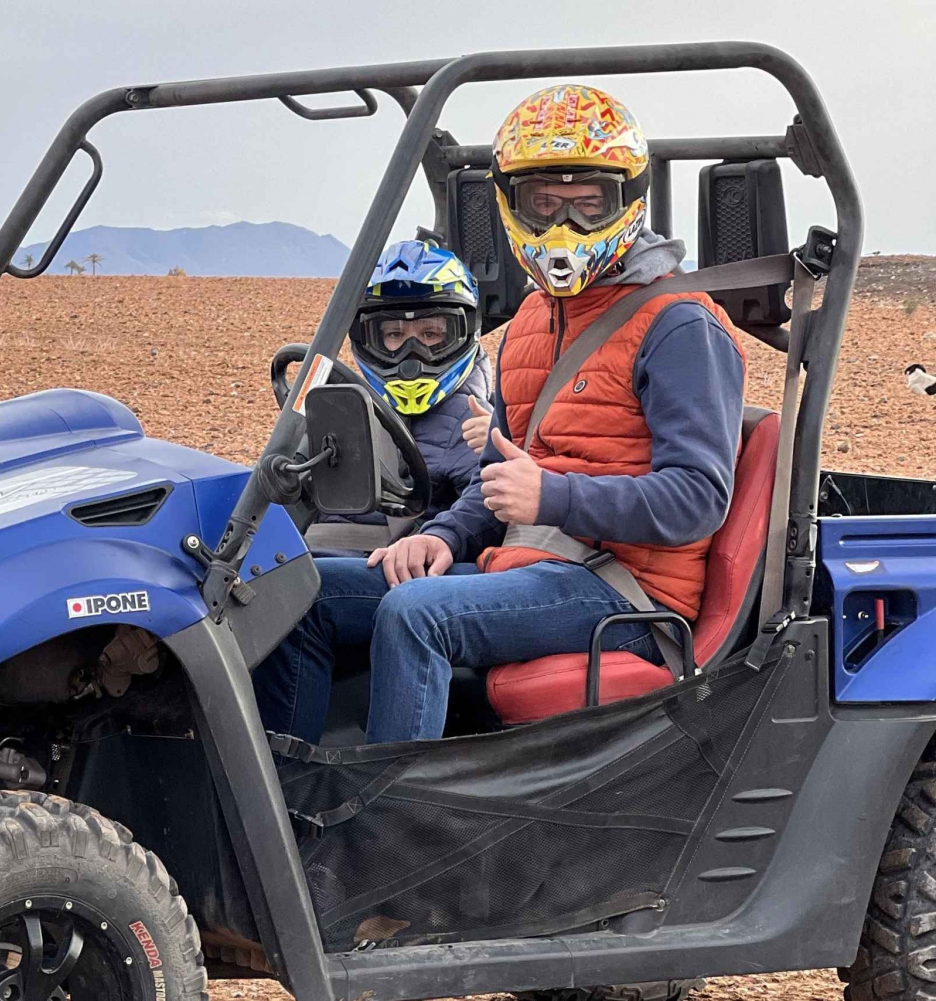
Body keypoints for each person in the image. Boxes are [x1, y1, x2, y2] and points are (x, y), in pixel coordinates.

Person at [254, 83, 747, 745]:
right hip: (535, 567)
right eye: (544, 203)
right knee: (295, 594)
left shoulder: (679, 325)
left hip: (629, 593)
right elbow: (499, 476)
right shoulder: (533, 320)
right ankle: (289, 812)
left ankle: (391, 832)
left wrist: (552, 494)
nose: (562, 228)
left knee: (414, 615)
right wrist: (443, 538)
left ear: (627, 201)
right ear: (511, 204)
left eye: (586, 202)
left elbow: (698, 499)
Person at [309, 240, 492, 554]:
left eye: (430, 335)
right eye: (395, 335)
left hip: (390, 567)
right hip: (313, 553)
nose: (413, 354)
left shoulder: (473, 420)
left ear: (464, 333)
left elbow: (483, 520)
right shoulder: (343, 406)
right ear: (368, 339)